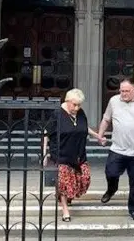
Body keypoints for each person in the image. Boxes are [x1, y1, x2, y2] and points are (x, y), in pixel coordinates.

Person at [97, 78, 134, 221]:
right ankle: (111, 189)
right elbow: (106, 119)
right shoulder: (114, 101)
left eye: (126, 91)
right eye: (121, 91)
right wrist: (100, 134)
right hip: (117, 148)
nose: (123, 94)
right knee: (110, 173)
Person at [43, 88, 103, 222]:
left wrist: (97, 136)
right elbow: (46, 133)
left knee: (84, 180)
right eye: (74, 104)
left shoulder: (80, 113)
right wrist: (44, 154)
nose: (77, 108)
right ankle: (65, 209)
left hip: (78, 153)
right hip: (61, 153)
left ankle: (68, 197)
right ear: (67, 101)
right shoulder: (57, 114)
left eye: (79, 105)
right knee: (64, 183)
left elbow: (83, 127)